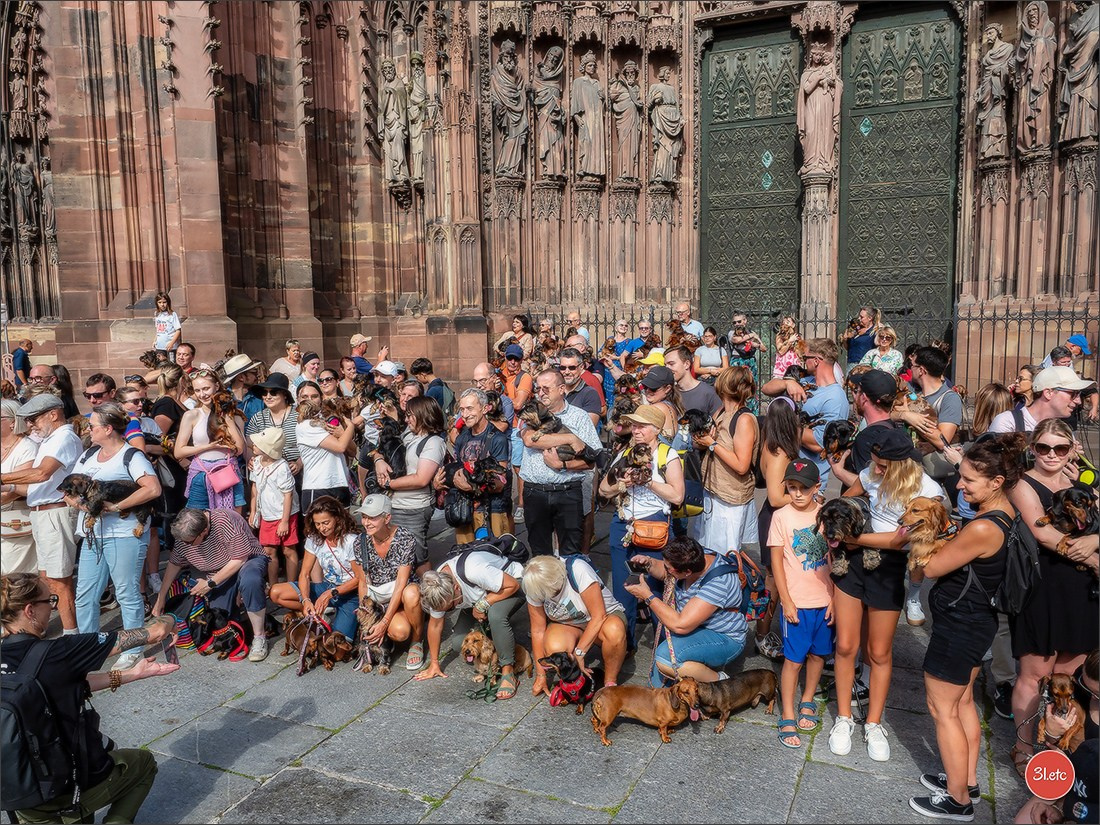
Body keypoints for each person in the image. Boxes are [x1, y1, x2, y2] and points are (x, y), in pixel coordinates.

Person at [908, 434, 1024, 821]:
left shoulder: (981, 528)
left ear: (995, 483)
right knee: (961, 702)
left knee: (941, 709)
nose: (960, 485)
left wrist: (924, 544)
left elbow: (931, 568)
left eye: (969, 481)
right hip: (977, 623)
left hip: (961, 625)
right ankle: (967, 780)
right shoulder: (1005, 512)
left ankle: (958, 800)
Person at [0, 573, 178, 825]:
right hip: (65, 787)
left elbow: (68, 684)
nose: (52, 608)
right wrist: (173, 615)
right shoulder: (59, 652)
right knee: (142, 764)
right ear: (29, 610)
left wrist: (131, 674)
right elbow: (156, 632)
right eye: (49, 601)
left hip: (18, 793)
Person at [832, 430, 944, 762]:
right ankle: (843, 718)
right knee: (845, 645)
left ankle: (874, 722)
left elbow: (899, 540)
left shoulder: (928, 492)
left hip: (889, 565)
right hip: (852, 562)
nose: (875, 471)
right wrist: (840, 522)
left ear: (901, 466)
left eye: (882, 466)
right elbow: (846, 499)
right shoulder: (872, 472)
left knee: (879, 651)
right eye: (875, 465)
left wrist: (857, 540)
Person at [1005, 420, 1099, 777]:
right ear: (1032, 447)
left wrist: (1095, 541)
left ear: (1073, 449)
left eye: (1060, 448)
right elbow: (1043, 534)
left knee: (1070, 675)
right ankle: (1024, 746)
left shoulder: (1079, 485)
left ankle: (1058, 744)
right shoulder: (1022, 484)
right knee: (1034, 674)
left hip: (1082, 595)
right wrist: (1094, 557)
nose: (1051, 455)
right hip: (1042, 588)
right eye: (1043, 447)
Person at [67, 404, 161, 662]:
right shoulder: (88, 455)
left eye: (93, 425)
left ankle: (132, 649)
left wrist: (117, 507)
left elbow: (152, 489)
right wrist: (77, 503)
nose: (89, 429)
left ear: (108, 429)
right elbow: (71, 490)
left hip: (123, 533)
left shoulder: (131, 456)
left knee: (126, 591)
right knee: (85, 593)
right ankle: (87, 646)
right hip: (93, 536)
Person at [599, 404, 684, 649]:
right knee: (623, 589)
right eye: (633, 425)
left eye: (641, 426)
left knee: (657, 588)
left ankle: (665, 647)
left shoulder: (668, 455)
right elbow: (604, 490)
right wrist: (622, 484)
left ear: (656, 429)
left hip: (654, 527)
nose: (635, 430)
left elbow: (678, 496)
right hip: (623, 525)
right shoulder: (625, 452)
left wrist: (648, 482)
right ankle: (625, 645)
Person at [1, 394, 83, 633]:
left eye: (34, 419)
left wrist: (3, 478)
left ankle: (72, 637)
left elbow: (41, 474)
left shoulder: (64, 436)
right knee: (48, 580)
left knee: (59, 582)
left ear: (53, 414)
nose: (30, 425)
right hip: (44, 513)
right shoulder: (53, 438)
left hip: (54, 512)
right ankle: (43, 631)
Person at [766, 459, 833, 749]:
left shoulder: (827, 515)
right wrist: (787, 601)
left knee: (819, 655)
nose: (797, 494)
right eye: (791, 488)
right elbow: (777, 562)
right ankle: (788, 712)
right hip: (798, 602)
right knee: (793, 660)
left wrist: (835, 598)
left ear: (817, 487)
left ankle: (807, 698)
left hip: (826, 600)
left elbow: (834, 560)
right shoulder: (781, 517)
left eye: (803, 488)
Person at [624, 536, 748, 686]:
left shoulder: (719, 583)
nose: (665, 569)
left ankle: (722, 683)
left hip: (724, 638)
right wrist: (648, 563)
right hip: (696, 629)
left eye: (668, 567)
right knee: (657, 688)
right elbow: (667, 573)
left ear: (687, 572)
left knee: (666, 659)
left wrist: (647, 596)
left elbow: (680, 625)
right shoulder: (694, 556)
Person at [152, 508, 272, 661]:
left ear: (204, 531)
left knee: (250, 581)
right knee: (222, 619)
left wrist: (210, 584)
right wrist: (161, 597)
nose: (184, 544)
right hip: (217, 573)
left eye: (189, 542)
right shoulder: (185, 534)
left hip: (247, 561)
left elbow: (240, 559)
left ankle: (259, 636)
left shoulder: (225, 521)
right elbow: (174, 563)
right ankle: (245, 608)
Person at [415, 548, 525, 700]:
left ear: (456, 588)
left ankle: (508, 671)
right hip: (480, 597)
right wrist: (434, 663)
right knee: (459, 643)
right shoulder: (436, 587)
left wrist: (482, 605)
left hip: (512, 585)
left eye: (451, 607)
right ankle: (498, 642)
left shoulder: (474, 570)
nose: (449, 610)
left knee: (496, 616)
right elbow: (435, 625)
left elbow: (513, 585)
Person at [519, 369, 601, 558]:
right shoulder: (533, 412)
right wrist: (571, 438)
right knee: (540, 554)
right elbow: (530, 440)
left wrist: (562, 465)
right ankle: (544, 588)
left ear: (562, 389)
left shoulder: (579, 417)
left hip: (568, 491)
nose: (540, 393)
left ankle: (570, 586)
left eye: (546, 388)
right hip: (535, 491)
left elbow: (591, 460)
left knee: (570, 552)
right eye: (538, 388)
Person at [1011, 650, 1099, 824]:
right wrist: (1052, 733)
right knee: (1024, 821)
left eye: (1098, 694)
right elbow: (1057, 748)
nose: (1091, 696)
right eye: (1085, 686)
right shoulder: (1081, 685)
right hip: (1073, 779)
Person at [524, 554, 628, 691]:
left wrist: (579, 653)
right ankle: (575, 679)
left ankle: (610, 683)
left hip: (603, 619)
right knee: (555, 648)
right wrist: (541, 675)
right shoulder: (533, 584)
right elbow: (538, 630)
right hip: (569, 625)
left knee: (614, 631)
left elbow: (598, 616)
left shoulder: (578, 569)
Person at [269, 496, 360, 644]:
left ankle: (347, 621)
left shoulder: (351, 540)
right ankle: (314, 612)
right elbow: (304, 574)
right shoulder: (314, 538)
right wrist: (306, 600)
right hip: (328, 586)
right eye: (317, 524)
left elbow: (359, 578)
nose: (321, 528)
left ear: (337, 518)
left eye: (326, 523)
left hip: (349, 593)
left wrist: (330, 594)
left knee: (336, 644)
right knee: (276, 593)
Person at [372, 396, 446, 571]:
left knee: (417, 556)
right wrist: (378, 460)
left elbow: (421, 478)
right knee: (396, 556)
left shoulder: (434, 442)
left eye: (410, 415)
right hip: (394, 504)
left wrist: (390, 484)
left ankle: (432, 593)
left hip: (414, 508)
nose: (406, 419)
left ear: (423, 415)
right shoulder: (408, 434)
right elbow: (381, 449)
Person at [690, 365, 759, 552]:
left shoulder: (744, 419)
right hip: (712, 491)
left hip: (730, 497)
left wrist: (712, 444)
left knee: (726, 551)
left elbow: (741, 465)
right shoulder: (720, 412)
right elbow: (708, 443)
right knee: (707, 548)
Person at [351, 494, 424, 669]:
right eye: (364, 517)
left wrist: (384, 622)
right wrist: (365, 619)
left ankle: (417, 640)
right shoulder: (360, 542)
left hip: (400, 594)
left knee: (411, 595)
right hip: (377, 599)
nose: (366, 522)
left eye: (373, 517)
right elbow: (362, 581)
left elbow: (400, 583)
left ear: (387, 518)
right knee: (398, 632)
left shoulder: (405, 538)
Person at [765, 338, 849, 486]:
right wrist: (787, 382)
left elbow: (819, 443)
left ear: (816, 361)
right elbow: (766, 388)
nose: (803, 362)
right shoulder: (804, 381)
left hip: (807, 483)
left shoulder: (835, 397)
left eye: (805, 358)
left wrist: (781, 424)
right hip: (785, 474)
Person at [754, 397, 801, 660]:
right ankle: (762, 634)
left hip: (777, 519)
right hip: (775, 519)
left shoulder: (771, 446)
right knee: (773, 581)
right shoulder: (779, 453)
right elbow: (774, 497)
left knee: (776, 580)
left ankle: (769, 631)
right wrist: (806, 498)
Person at [441, 388, 512, 541]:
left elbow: (500, 483)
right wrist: (440, 482)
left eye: (470, 408)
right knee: (465, 558)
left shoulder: (497, 438)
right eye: (462, 409)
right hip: (464, 509)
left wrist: (472, 487)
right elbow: (458, 471)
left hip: (492, 509)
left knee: (494, 555)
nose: (465, 414)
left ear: (485, 408)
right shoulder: (461, 438)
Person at [174, 369, 246, 511]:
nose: (202, 394)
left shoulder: (234, 415)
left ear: (217, 387)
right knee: (199, 522)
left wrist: (228, 419)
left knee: (233, 520)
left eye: (206, 388)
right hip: (201, 472)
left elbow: (240, 449)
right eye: (198, 390)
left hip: (228, 470)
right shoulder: (192, 415)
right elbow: (178, 451)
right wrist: (208, 447)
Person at [829, 369, 902, 490]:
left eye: (856, 391)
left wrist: (838, 471)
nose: (854, 395)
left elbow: (872, 488)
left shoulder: (867, 438)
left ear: (864, 398)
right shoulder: (898, 429)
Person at [247, 426, 300, 588]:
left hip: (285, 514)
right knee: (269, 551)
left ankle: (291, 586)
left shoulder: (282, 467)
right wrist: (254, 511)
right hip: (267, 514)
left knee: (288, 550)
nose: (253, 445)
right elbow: (255, 488)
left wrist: (284, 521)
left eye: (257, 444)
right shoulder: (256, 462)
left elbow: (288, 494)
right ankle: (274, 585)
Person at [988, 365, 1094, 433]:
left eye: (1079, 394)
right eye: (1073, 393)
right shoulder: (1008, 423)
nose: (1078, 401)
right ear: (1048, 393)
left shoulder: (1063, 430)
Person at [295, 396, 355, 509]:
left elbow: (352, 451)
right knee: (318, 526)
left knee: (343, 526)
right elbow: (341, 447)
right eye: (305, 397)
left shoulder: (327, 422)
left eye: (313, 396)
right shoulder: (305, 426)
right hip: (318, 486)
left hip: (340, 483)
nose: (310, 400)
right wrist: (350, 427)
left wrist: (343, 433)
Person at [0, 399, 38, 575]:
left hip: (14, 520)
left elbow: (20, 486)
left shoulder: (27, 448)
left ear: (13, 422)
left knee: (13, 576)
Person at [245, 373, 301, 476]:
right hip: (268, 471)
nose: (268, 396)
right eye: (264, 393)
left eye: (273, 392)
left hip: (298, 472)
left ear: (284, 395)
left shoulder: (299, 416)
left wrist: (299, 463)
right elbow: (248, 445)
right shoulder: (258, 418)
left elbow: (311, 444)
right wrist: (252, 459)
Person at [664, 345, 721, 417]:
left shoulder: (709, 393)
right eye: (665, 365)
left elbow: (718, 424)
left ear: (687, 364)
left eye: (671, 364)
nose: (667, 368)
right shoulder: (668, 393)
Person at [639, 365, 683, 442]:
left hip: (658, 453)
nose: (648, 391)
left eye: (653, 388)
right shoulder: (672, 406)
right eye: (645, 386)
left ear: (667, 388)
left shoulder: (657, 408)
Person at [223, 353, 264, 422]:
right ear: (241, 377)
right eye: (254, 372)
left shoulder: (258, 399)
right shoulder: (223, 400)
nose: (257, 375)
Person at [152, 291, 182, 361]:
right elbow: (158, 330)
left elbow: (178, 330)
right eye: (159, 302)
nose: (162, 305)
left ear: (168, 302)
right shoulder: (157, 314)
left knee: (171, 364)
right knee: (160, 364)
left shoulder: (172, 314)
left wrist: (172, 343)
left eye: (164, 302)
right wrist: (154, 341)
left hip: (170, 346)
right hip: (160, 346)